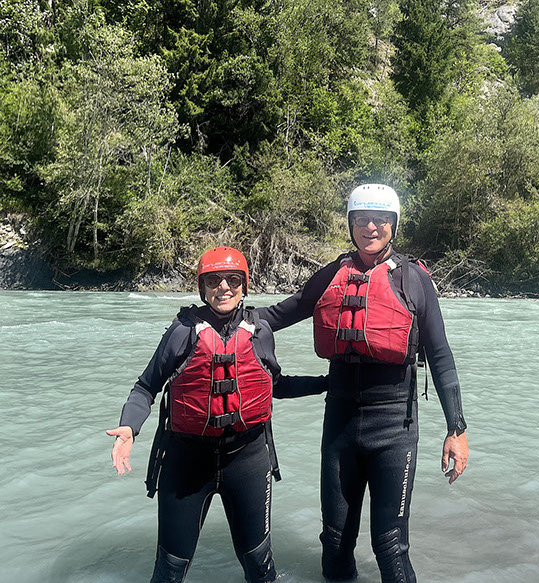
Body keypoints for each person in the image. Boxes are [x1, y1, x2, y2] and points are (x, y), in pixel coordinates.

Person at [256, 184, 469, 583]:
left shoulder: (414, 280)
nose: (371, 227)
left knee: (390, 546)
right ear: (351, 224)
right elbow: (279, 314)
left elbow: (440, 355)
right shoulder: (332, 275)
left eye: (381, 219)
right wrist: (226, 318)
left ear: (393, 225)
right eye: (362, 219)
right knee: (335, 545)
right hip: (340, 422)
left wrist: (456, 429)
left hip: (394, 428)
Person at [106, 246, 324, 583]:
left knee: (260, 567)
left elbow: (275, 385)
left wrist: (326, 383)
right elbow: (146, 387)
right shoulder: (181, 332)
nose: (223, 287)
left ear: (244, 285)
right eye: (213, 280)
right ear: (202, 287)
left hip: (248, 460)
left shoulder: (260, 330)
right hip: (187, 462)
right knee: (169, 571)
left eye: (233, 279)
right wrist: (129, 427)